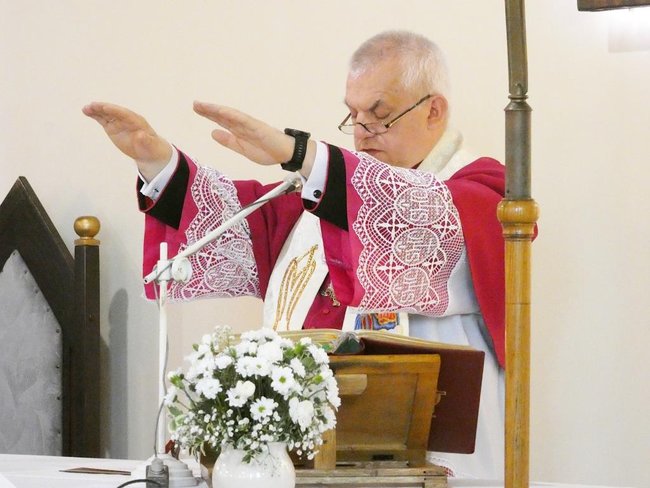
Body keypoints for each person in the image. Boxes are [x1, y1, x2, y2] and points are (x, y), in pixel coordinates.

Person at [83, 30, 505, 479]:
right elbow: (245, 222)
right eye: (353, 116)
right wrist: (158, 164)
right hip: (311, 451)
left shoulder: (485, 191)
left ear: (434, 110)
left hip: (430, 446)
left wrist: (298, 152)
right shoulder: (326, 194)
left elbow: (412, 215)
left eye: (380, 117)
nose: (362, 135)